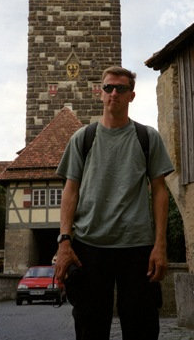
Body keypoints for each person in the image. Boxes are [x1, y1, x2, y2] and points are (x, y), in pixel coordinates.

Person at [55, 66, 174, 340]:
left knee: (142, 327)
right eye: (108, 88)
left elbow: (160, 191)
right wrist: (64, 242)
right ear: (101, 93)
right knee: (90, 328)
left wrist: (160, 244)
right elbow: (70, 191)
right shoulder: (83, 138)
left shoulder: (147, 137)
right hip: (89, 246)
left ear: (131, 95)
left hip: (137, 247)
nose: (113, 94)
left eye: (120, 89)